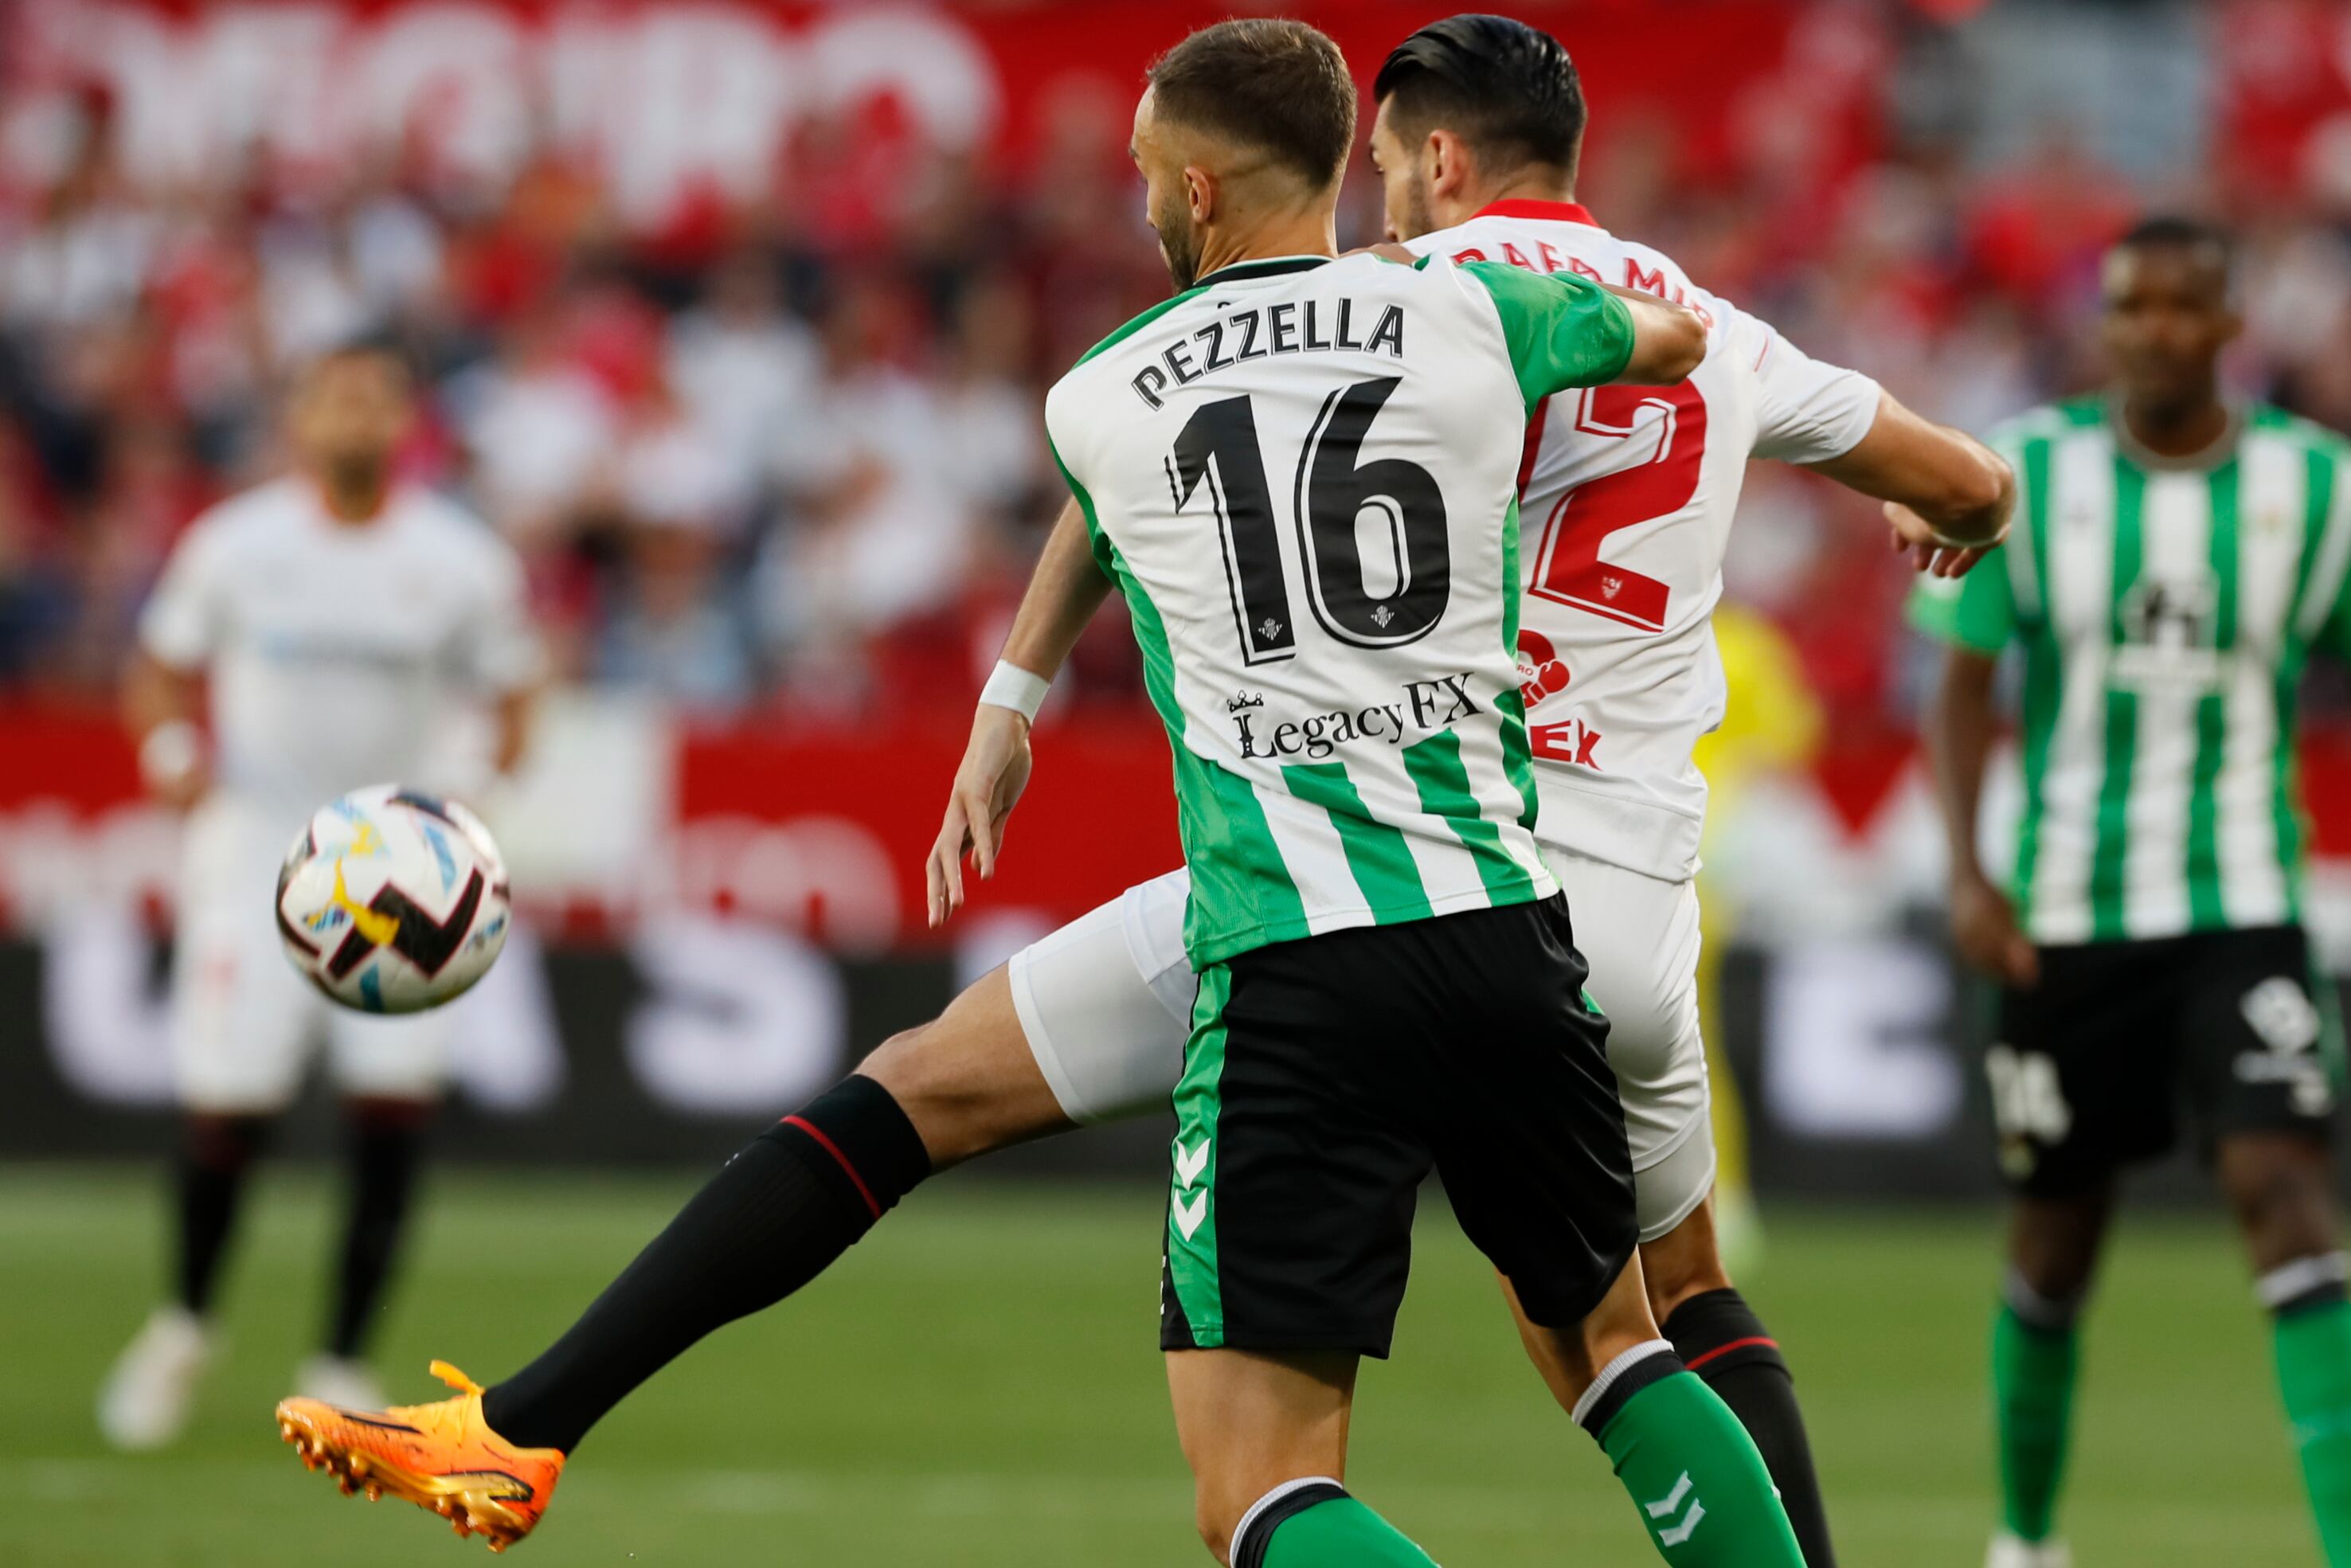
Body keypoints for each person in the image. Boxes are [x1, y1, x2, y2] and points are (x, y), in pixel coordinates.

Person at [271, 16, 2011, 1561]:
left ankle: (524, 1426)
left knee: (1001, 1191)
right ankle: (523, 1421)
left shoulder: (1122, 384)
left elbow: (1152, 460)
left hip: (1318, 903)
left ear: (1418, 163)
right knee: (1642, 1322)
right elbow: (1798, 406)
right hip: (1570, 910)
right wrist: (1860, 457)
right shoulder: (1514, 314)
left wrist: (1013, 687)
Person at [1911, 217, 2351, 1568]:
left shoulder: (2319, 489)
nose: (2153, 328)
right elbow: (1967, 686)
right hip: (2066, 917)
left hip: (2242, 905)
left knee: (2284, 1183)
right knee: (2057, 1236)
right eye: (2129, 307)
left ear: (2230, 327)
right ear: (2106, 325)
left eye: (2181, 307)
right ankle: (2025, 1540)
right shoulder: (2027, 473)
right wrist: (1971, 874)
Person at [97, 337, 539, 1450]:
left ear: (405, 424)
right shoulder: (239, 545)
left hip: (403, 869)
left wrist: (467, 801)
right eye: (335, 399)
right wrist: (166, 752)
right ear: (301, 419)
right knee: (226, 1105)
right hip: (258, 852)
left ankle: (341, 1355)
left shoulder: (458, 561)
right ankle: (185, 1325)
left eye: (376, 401)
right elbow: (158, 661)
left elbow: (519, 687)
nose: (354, 420)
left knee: (390, 1113)